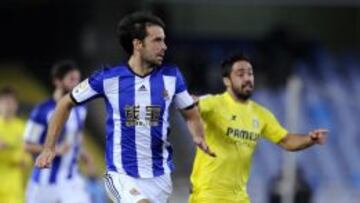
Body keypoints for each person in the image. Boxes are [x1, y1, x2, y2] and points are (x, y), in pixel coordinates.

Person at [35, 12, 215, 203]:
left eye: (164, 40)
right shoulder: (108, 78)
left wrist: (198, 135)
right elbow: (65, 103)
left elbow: (190, 113)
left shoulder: (172, 77)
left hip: (160, 177)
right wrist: (48, 147)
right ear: (138, 44)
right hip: (121, 175)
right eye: (157, 40)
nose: (164, 46)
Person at [189, 54, 327, 203]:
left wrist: (310, 139)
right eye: (240, 74)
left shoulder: (261, 115)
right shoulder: (214, 103)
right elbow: (189, 104)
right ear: (227, 81)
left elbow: (287, 141)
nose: (247, 78)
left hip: (238, 198)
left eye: (250, 73)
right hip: (208, 196)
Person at [24, 60, 92, 203]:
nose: (77, 84)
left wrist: (85, 155)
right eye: (71, 79)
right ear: (57, 81)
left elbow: (77, 136)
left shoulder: (81, 108)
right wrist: (53, 149)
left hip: (71, 179)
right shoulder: (42, 111)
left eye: (78, 79)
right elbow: (27, 145)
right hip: (44, 182)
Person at [0, 86, 29, 203]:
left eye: (11, 102)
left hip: (14, 188)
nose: (8, 105)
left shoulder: (24, 128)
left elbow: (26, 159)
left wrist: (8, 151)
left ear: (16, 105)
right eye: (5, 101)